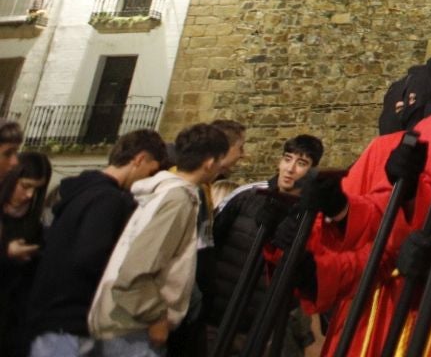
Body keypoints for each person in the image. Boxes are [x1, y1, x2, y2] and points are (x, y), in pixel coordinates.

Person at [20, 131, 167, 357]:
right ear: (139, 159)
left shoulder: (82, 190)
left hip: (52, 315)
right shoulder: (108, 200)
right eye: (152, 170)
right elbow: (90, 257)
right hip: (68, 320)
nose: (149, 178)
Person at [87, 124, 230, 357]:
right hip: (133, 330)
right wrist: (156, 319)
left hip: (125, 325)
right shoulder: (177, 200)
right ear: (210, 161)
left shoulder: (164, 192)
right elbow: (136, 270)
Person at [199, 137, 323, 356]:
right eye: (287, 159)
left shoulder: (311, 219)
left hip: (260, 329)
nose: (290, 169)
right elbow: (210, 244)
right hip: (215, 316)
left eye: (301, 163)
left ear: (312, 171)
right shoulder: (247, 196)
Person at [3, 152, 53, 356]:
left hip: (14, 328)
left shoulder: (34, 228)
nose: (30, 195)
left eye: (37, 189)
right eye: (25, 186)